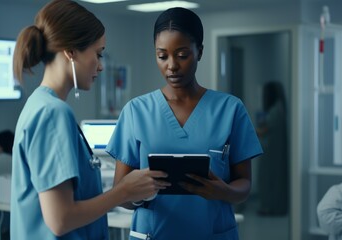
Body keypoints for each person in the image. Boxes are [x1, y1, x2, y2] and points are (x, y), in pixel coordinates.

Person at [10, 1, 169, 239]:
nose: (101, 66)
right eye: (98, 54)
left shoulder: (38, 105)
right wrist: (124, 191)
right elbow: (60, 220)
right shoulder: (53, 113)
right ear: (71, 52)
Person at [106, 7, 263, 240]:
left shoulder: (230, 110)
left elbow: (244, 185)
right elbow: (120, 193)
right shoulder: (136, 111)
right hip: (153, 233)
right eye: (162, 56)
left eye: (181, 55)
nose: (172, 65)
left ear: (199, 51)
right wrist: (140, 194)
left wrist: (224, 191)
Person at [256, 81, 288, 216]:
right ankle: (271, 206)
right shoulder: (279, 109)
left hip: (270, 153)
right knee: (272, 179)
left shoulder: (275, 110)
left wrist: (254, 130)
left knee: (268, 179)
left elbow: (263, 130)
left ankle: (269, 207)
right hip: (272, 151)